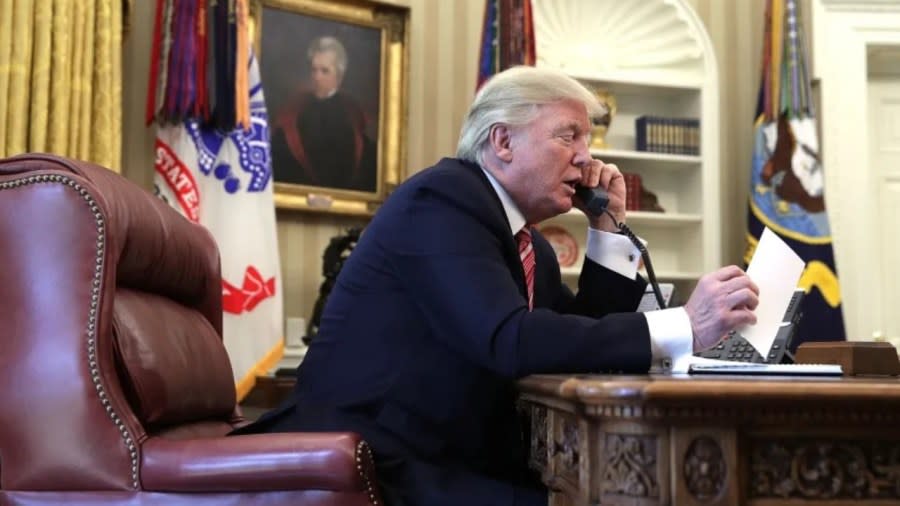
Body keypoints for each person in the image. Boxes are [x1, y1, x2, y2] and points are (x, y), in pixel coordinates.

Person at [236, 66, 759, 505]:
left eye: (588, 139)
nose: (588, 157)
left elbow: (579, 341)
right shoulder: (441, 202)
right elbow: (509, 340)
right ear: (502, 141)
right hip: (375, 455)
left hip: (448, 451)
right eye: (568, 135)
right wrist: (684, 324)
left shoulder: (529, 244)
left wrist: (607, 232)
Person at [270, 36, 377, 192]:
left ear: (339, 77)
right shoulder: (295, 110)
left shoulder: (352, 115)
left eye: (324, 71)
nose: (317, 77)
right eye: (314, 70)